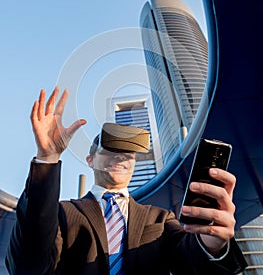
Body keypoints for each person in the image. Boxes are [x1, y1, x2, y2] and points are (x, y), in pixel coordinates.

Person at [6, 87, 247, 274]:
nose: (122, 156)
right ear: (91, 160)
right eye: (111, 149)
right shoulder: (63, 213)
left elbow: (191, 264)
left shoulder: (160, 219)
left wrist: (212, 243)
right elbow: (28, 265)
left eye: (129, 153)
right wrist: (47, 159)